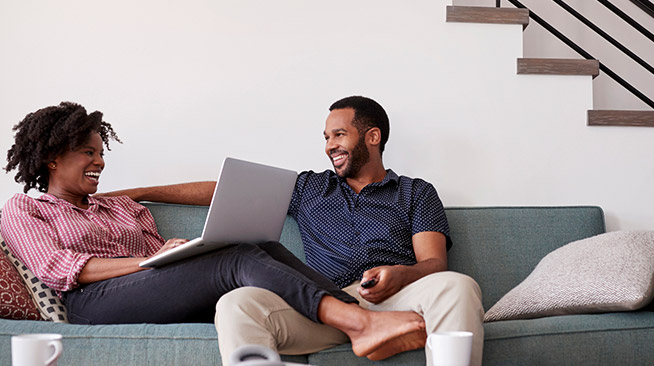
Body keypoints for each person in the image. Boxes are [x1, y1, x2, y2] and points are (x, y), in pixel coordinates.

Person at [0, 102, 428, 361]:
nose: (100, 162)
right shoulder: (25, 208)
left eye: (100, 152)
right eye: (86, 153)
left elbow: (159, 260)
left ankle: (360, 314)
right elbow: (60, 269)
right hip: (92, 305)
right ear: (53, 158)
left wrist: (174, 252)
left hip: (149, 292)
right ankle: (360, 324)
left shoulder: (124, 208)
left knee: (258, 244)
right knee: (237, 259)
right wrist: (148, 261)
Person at [110, 96, 485, 366]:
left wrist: (404, 273)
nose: (329, 146)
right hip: (326, 304)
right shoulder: (308, 188)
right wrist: (140, 193)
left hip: (398, 300)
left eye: (338, 135)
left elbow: (434, 263)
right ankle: (360, 329)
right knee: (235, 304)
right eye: (325, 137)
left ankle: (383, 330)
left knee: (458, 286)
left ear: (372, 137)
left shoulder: (416, 192)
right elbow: (221, 189)